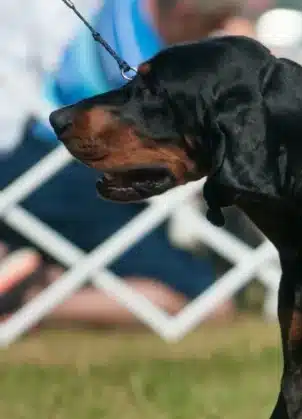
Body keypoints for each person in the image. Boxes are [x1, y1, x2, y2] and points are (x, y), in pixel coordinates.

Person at [0, 0, 266, 329]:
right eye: (215, 24)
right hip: (58, 175)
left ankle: (32, 272)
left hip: (50, 167)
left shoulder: (119, 16)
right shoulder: (132, 55)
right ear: (185, 11)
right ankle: (29, 296)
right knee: (205, 300)